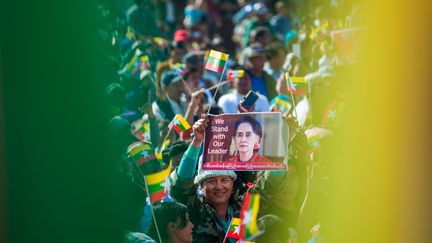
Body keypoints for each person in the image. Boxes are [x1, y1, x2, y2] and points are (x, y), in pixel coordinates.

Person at [170, 115, 242, 242]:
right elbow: (182, 185)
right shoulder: (194, 213)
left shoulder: (241, 208)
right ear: (200, 186)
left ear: (232, 184)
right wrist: (196, 142)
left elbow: (269, 186)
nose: (219, 186)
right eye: (211, 181)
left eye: (224, 180)